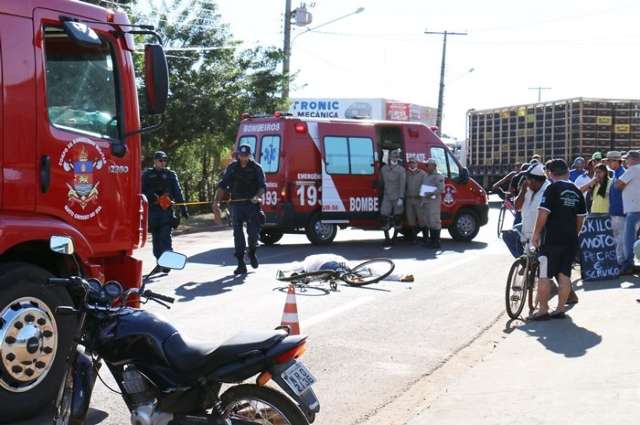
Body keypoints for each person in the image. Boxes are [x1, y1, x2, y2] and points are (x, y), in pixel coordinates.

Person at [531, 159, 587, 320]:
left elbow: (543, 213)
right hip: (570, 239)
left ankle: (543, 310)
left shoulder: (551, 189)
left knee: (544, 275)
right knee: (564, 274)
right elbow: (580, 218)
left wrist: (536, 234)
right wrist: (574, 234)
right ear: (568, 172)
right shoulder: (576, 191)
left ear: (550, 173)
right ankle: (560, 309)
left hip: (551, 239)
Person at [213, 144, 266, 275]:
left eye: (246, 155)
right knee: (238, 234)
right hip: (236, 205)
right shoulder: (232, 168)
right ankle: (241, 263)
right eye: (241, 155)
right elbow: (222, 186)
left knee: (253, 234)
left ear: (250, 155)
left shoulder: (257, 168)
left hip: (251, 205)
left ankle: (252, 252)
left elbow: (262, 187)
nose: (243, 158)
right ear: (238, 155)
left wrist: (257, 196)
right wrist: (216, 203)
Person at [141, 151, 188, 266]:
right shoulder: (147, 175)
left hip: (166, 211)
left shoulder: (171, 175)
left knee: (165, 238)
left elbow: (178, 192)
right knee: (156, 241)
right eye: (161, 160)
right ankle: (160, 263)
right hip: (152, 212)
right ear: (155, 161)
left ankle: (168, 264)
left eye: (165, 160)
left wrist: (183, 209)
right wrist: (151, 196)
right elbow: (140, 191)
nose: (163, 163)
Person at [615, 150, 640, 274]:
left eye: (627, 159)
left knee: (628, 238)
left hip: (634, 209)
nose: (625, 161)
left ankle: (628, 264)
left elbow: (618, 185)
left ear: (633, 159)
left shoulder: (633, 169)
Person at [380, 149, 406, 245]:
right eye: (392, 156)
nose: (394, 158)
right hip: (387, 195)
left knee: (398, 218)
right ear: (389, 157)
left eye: (396, 157)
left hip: (397, 196)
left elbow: (402, 184)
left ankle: (394, 238)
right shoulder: (384, 169)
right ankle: (387, 238)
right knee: (383, 216)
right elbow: (382, 183)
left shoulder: (401, 170)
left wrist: (401, 197)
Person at [607, 151, 626, 265]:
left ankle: (621, 262)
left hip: (622, 211)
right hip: (615, 211)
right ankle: (619, 261)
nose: (608, 163)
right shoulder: (616, 174)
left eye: (610, 161)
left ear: (616, 161)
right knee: (617, 238)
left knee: (621, 239)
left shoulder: (623, 174)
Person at [405, 158, 428, 244]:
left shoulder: (422, 174)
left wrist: (422, 196)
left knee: (422, 219)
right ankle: (414, 238)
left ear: (416, 164)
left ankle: (426, 238)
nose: (412, 164)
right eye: (410, 163)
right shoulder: (406, 174)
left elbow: (426, 186)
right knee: (411, 219)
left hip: (419, 199)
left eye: (413, 163)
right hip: (409, 199)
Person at [423, 158, 445, 249]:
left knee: (434, 221)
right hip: (427, 201)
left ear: (433, 166)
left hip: (434, 201)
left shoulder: (438, 176)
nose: (427, 167)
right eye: (426, 165)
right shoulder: (427, 176)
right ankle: (431, 241)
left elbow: (441, 189)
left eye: (428, 165)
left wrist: (430, 193)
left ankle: (436, 242)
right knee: (428, 221)